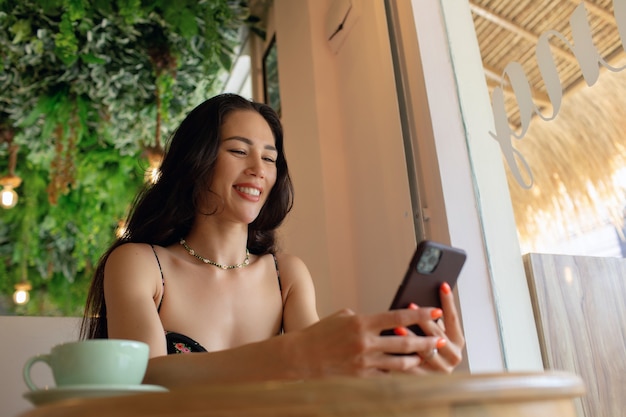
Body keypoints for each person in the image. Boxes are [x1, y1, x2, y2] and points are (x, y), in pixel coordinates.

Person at [80, 93, 464, 388]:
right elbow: (143, 378)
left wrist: (400, 367)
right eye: (238, 151)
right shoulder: (141, 263)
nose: (258, 170)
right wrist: (298, 354)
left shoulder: (287, 275)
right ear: (195, 162)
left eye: (269, 158)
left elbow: (327, 388)